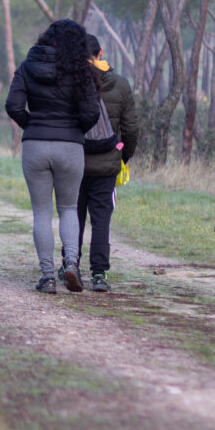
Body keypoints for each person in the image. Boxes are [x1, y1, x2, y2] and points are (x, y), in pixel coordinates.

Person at [5, 18, 100, 294]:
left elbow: (13, 105)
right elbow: (92, 112)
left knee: (42, 212)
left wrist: (32, 126)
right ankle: (71, 264)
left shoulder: (27, 66)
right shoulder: (80, 70)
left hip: (35, 145)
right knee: (69, 209)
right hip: (70, 146)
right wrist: (74, 131)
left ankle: (47, 276)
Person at [74, 34, 139, 292]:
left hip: (75, 163)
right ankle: (99, 274)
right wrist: (123, 156)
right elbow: (131, 129)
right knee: (101, 220)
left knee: (73, 216)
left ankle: (71, 265)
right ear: (101, 52)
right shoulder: (121, 84)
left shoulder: (73, 84)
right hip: (106, 166)